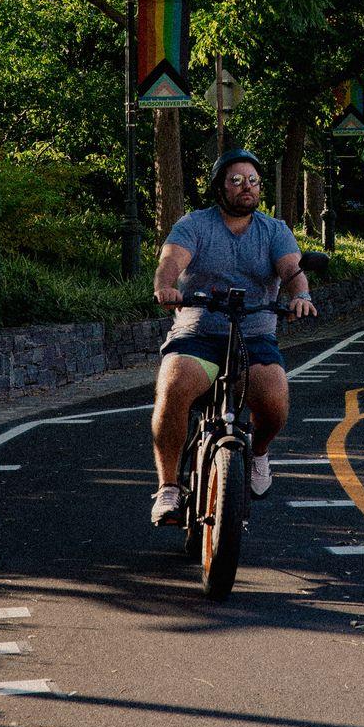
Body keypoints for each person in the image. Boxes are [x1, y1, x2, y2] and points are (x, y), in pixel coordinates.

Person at [150, 149, 317, 526]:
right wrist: (166, 287)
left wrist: (300, 297)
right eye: (237, 181)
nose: (247, 188)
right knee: (174, 386)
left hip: (254, 336)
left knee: (274, 400)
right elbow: (170, 262)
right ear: (220, 187)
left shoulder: (274, 230)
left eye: (253, 181)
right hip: (199, 334)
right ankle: (169, 488)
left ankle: (257, 453)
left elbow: (291, 270)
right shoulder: (195, 224)